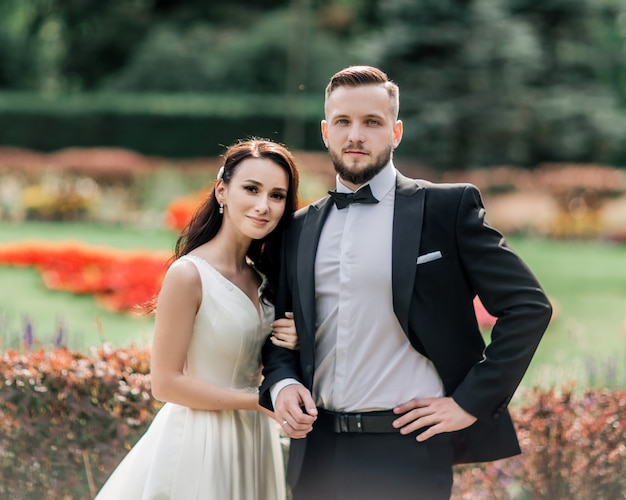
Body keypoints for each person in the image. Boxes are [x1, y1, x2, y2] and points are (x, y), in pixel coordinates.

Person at [260, 66, 553, 500]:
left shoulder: (446, 209)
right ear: (326, 131)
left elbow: (528, 306)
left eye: (372, 123)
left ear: (396, 131)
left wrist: (468, 402)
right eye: (343, 122)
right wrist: (282, 384)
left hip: (407, 448)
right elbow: (278, 329)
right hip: (315, 451)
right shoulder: (299, 227)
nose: (355, 135)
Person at [96, 138, 300, 500]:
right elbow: (165, 384)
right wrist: (256, 401)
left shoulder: (265, 277)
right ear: (222, 190)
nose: (263, 206)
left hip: (255, 440)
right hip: (200, 439)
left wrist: (293, 339)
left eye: (277, 195)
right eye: (251, 189)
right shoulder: (189, 275)